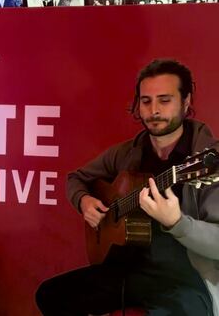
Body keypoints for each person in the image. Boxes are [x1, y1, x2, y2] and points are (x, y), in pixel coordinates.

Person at [36, 59, 218, 316]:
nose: (154, 110)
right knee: (50, 295)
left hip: (184, 281)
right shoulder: (127, 153)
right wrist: (83, 201)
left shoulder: (207, 160)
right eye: (146, 101)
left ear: (186, 102)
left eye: (164, 100)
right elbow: (75, 179)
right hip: (125, 270)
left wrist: (178, 223)